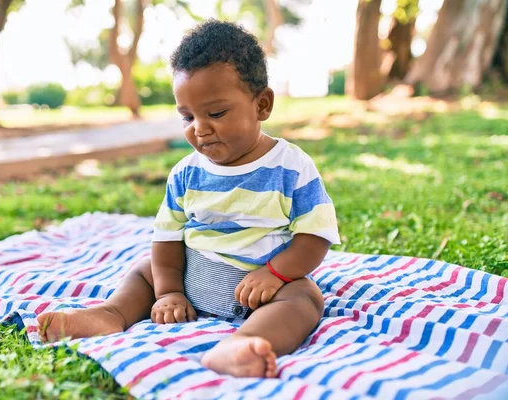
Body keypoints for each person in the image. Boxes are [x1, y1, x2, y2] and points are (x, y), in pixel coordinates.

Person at [37, 19, 340, 379]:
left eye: (215, 113)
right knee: (144, 272)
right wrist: (167, 292)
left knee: (305, 298)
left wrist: (275, 273)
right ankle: (111, 314)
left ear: (262, 104)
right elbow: (166, 238)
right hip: (192, 273)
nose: (199, 128)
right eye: (187, 116)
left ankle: (241, 343)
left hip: (261, 286)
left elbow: (314, 235)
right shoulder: (186, 173)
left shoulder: (291, 167)